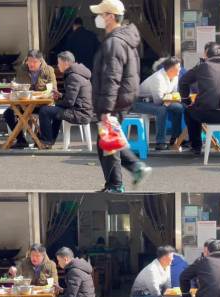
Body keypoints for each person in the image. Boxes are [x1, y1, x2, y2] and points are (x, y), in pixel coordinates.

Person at [90, 0, 151, 193]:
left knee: (108, 142)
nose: (98, 18)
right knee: (106, 142)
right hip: (121, 98)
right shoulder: (123, 39)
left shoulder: (115, 42)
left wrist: (106, 109)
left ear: (110, 16)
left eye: (101, 14)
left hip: (113, 100)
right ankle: (116, 182)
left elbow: (111, 77)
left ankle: (128, 173)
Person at [37, 51, 93, 147]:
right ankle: (50, 140)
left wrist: (56, 103)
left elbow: (70, 102)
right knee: (55, 111)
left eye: (59, 63)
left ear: (66, 63)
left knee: (44, 110)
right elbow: (74, 97)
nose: (58, 65)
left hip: (80, 113)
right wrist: (60, 95)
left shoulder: (73, 76)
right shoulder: (78, 73)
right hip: (82, 110)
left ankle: (46, 141)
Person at [3, 49, 57, 149]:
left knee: (45, 112)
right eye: (29, 61)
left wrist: (44, 94)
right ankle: (21, 140)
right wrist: (15, 88)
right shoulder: (21, 69)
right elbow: (17, 87)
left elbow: (53, 90)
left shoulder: (49, 70)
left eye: (34, 62)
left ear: (40, 61)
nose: (31, 64)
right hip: (25, 104)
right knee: (8, 114)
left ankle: (42, 139)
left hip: (42, 104)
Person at [132, 56, 185, 151]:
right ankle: (160, 142)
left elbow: (173, 94)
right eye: (178, 67)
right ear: (171, 69)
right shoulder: (158, 78)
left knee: (179, 108)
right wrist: (170, 99)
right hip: (140, 102)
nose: (180, 69)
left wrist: (172, 99)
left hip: (160, 100)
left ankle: (176, 138)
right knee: (162, 110)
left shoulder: (175, 76)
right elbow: (159, 101)